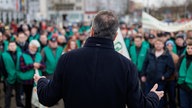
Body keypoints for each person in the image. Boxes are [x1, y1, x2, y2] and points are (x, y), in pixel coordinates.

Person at [34, 10, 164, 108]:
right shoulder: (127, 66)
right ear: (115, 37)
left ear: (91, 31)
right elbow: (138, 105)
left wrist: (41, 82)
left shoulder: (67, 59)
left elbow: (47, 98)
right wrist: (153, 97)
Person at [141, 38, 175, 108]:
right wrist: (143, 75)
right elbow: (145, 64)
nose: (158, 45)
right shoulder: (150, 52)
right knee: (147, 96)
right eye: (156, 44)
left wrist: (164, 76)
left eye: (160, 44)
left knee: (160, 99)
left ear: (163, 45)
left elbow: (171, 69)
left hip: (160, 81)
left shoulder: (167, 55)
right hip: (149, 80)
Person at [18, 40, 45, 108]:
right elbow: (22, 68)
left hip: (37, 79)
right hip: (27, 80)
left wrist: (39, 66)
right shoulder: (23, 55)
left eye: (36, 48)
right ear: (29, 46)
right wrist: (32, 65)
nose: (35, 49)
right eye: (33, 47)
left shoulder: (38, 54)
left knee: (38, 96)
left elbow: (44, 66)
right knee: (28, 97)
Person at [0, 41, 24, 108]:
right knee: (8, 94)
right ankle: (7, 106)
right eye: (11, 45)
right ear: (8, 47)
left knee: (18, 92)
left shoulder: (20, 54)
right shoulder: (4, 55)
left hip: (18, 77)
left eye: (14, 45)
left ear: (16, 46)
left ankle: (19, 104)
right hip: (9, 78)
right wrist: (6, 76)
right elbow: (2, 67)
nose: (12, 47)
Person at [177, 41, 192, 108]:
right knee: (183, 105)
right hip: (182, 85)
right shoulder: (182, 57)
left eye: (191, 48)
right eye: (188, 48)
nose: (189, 50)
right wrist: (179, 81)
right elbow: (177, 69)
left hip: (191, 85)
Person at [165, 40, 179, 108]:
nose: (169, 47)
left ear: (173, 47)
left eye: (171, 45)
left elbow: (176, 68)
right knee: (164, 96)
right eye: (168, 45)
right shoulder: (163, 55)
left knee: (172, 96)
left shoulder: (175, 56)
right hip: (164, 79)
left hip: (172, 79)